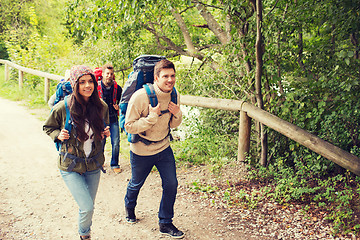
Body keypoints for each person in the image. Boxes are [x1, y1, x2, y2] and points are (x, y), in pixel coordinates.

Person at [43, 65, 110, 240]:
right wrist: (59, 135)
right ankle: (84, 235)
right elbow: (48, 127)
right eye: (82, 82)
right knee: (87, 207)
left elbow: (104, 127)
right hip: (70, 166)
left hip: (94, 164)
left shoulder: (101, 106)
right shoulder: (63, 107)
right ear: (75, 85)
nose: (88, 86)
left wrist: (104, 132)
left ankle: (84, 231)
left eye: (90, 82)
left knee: (89, 205)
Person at [124, 59, 184, 238]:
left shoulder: (174, 94)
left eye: (172, 76)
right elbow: (129, 126)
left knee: (171, 184)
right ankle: (129, 206)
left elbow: (173, 125)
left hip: (163, 147)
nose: (170, 80)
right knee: (136, 183)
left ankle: (165, 223)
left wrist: (177, 114)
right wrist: (151, 117)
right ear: (156, 78)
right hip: (141, 150)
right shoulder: (140, 97)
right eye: (165, 76)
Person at [98, 63, 122, 173]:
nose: (109, 75)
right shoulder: (96, 87)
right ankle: (100, 162)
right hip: (100, 120)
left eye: (111, 74)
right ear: (103, 74)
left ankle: (114, 164)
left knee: (116, 142)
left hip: (113, 118)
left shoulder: (117, 88)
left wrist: (119, 106)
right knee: (101, 142)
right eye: (107, 73)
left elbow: (122, 102)